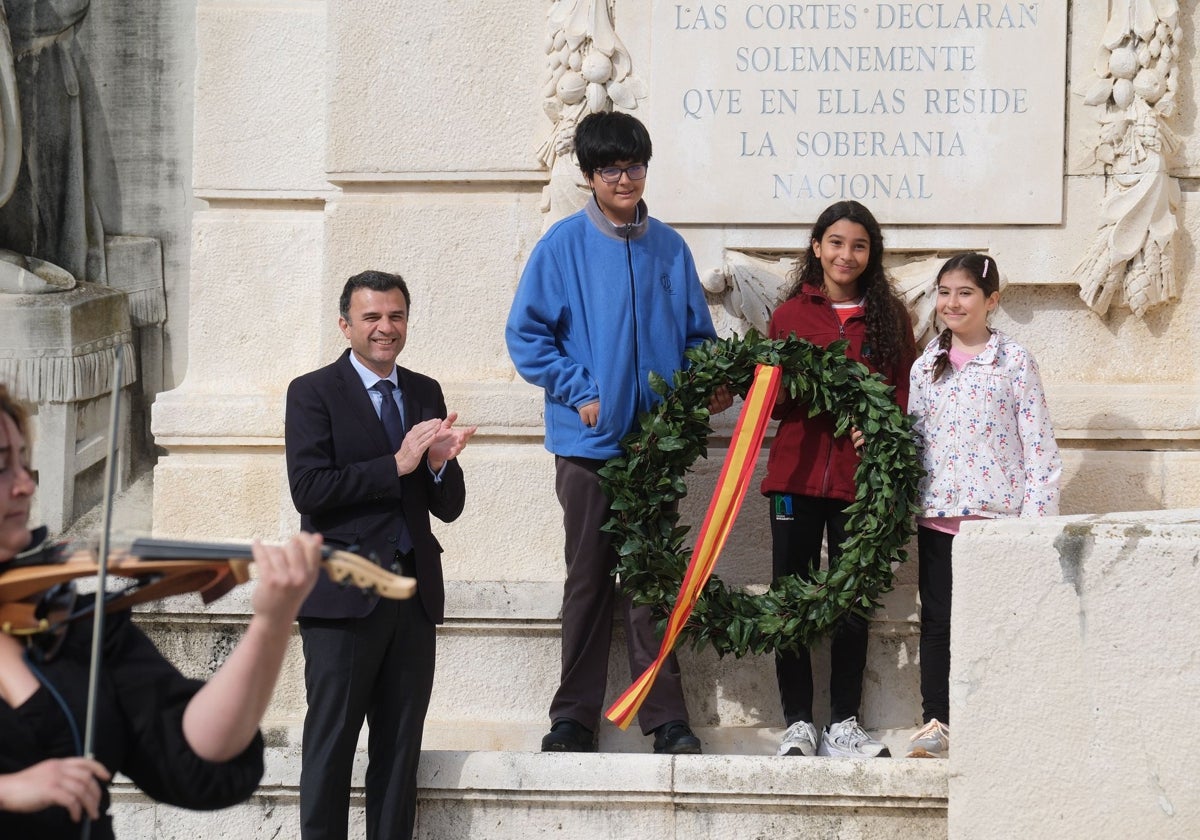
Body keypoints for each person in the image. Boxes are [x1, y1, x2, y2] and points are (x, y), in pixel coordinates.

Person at [0, 383, 324, 838]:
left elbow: (193, 753)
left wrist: (270, 622)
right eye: (1, 466)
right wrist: (9, 790)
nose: (24, 484)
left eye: (22, 462)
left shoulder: (69, 625)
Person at [506, 111, 731, 755]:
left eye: (633, 165)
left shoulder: (669, 248)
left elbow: (695, 341)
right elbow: (527, 336)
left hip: (655, 450)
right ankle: (573, 717)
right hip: (587, 450)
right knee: (587, 579)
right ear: (588, 176)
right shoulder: (562, 246)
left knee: (652, 584)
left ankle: (665, 718)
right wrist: (582, 391)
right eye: (610, 168)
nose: (624, 178)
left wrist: (710, 382)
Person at [285, 270, 475, 840]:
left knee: (399, 749)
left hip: (412, 595)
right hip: (341, 597)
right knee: (331, 746)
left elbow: (450, 506)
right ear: (346, 325)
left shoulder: (425, 391)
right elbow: (309, 489)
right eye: (371, 317)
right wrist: (395, 464)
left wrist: (439, 463)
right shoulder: (312, 391)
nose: (384, 328)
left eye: (395, 316)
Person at [761, 200, 917, 759]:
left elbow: (903, 398)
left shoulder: (890, 319)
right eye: (835, 242)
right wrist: (807, 384)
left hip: (860, 488)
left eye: (858, 245)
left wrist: (877, 431)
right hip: (794, 480)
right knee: (791, 598)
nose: (845, 254)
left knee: (853, 602)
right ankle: (798, 721)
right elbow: (772, 403)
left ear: (871, 254)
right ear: (816, 247)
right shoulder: (790, 316)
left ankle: (844, 722)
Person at [905, 253, 1061, 759]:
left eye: (966, 292)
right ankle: (938, 721)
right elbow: (914, 437)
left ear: (991, 301)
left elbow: (1038, 447)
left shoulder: (1013, 360)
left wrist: (1035, 527)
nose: (953, 302)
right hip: (937, 515)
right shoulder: (925, 364)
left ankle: (1000, 716)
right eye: (945, 291)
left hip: (997, 522)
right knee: (937, 622)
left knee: (997, 619)